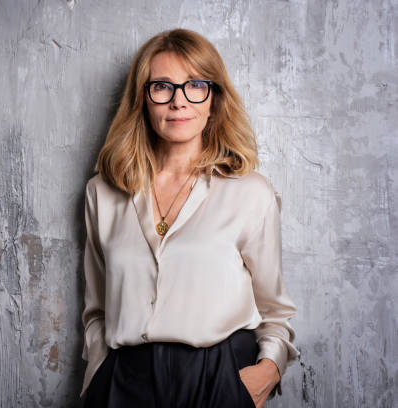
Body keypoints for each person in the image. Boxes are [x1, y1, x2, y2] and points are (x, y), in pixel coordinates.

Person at [79, 28, 299, 408]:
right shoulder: (103, 193)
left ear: (213, 99)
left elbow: (274, 309)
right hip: (124, 382)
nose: (179, 101)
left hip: (218, 379)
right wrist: (101, 374)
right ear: (143, 100)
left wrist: (266, 371)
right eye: (162, 86)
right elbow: (96, 308)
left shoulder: (250, 193)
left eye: (195, 85)